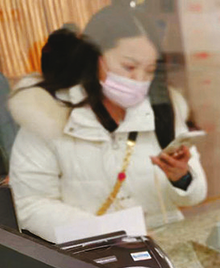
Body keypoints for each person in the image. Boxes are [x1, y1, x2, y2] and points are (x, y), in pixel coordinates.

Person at [8, 5, 207, 243]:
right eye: (129, 67)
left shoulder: (163, 108)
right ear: (96, 58)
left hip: (165, 248)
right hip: (94, 254)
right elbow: (30, 205)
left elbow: (195, 195)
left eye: (150, 70)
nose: (139, 80)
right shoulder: (47, 115)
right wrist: (110, 231)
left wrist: (182, 177)